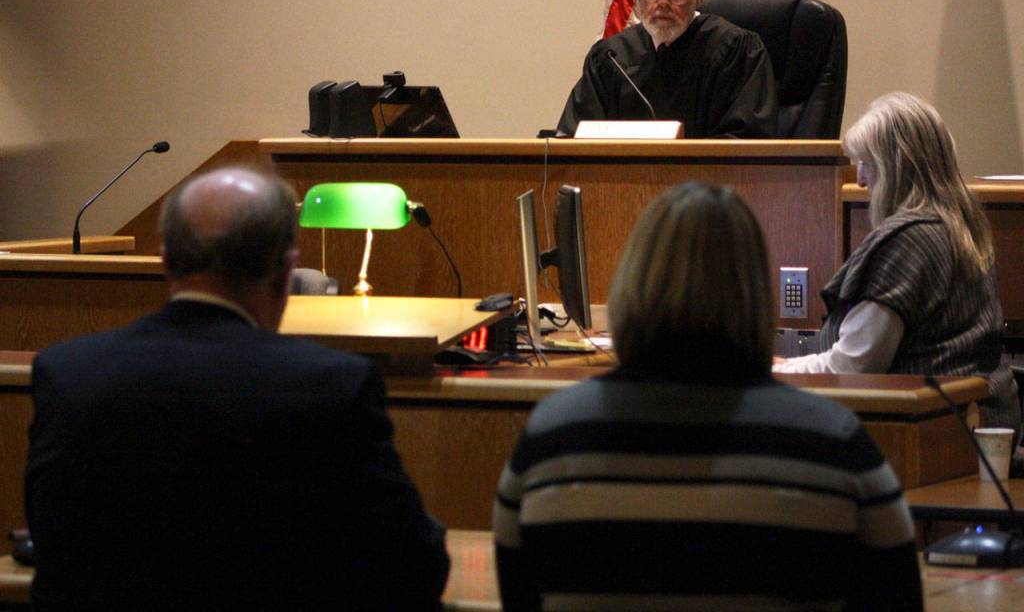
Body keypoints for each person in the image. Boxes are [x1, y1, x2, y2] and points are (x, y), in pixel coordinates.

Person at [25, 166, 449, 610]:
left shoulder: (68, 373)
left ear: (166, 260)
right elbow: (412, 566)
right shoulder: (331, 386)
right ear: (286, 271)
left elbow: (54, 546)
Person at [493, 182, 923, 611]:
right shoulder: (837, 447)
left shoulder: (549, 440)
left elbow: (517, 597)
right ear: (755, 293)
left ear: (631, 281)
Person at [775, 93, 1020, 432]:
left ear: (897, 166)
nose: (860, 179)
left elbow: (852, 368)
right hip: (982, 424)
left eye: (867, 163)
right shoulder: (960, 226)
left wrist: (772, 371)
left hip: (931, 436)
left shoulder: (907, 242)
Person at [556, 0, 778, 138]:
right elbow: (573, 143)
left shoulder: (736, 53)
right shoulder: (610, 58)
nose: (662, 2)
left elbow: (747, 149)